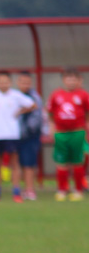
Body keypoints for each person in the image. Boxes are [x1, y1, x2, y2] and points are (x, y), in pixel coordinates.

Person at [0, 71, 36, 202]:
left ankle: (16, 192)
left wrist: (20, 111)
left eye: (6, 82)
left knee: (14, 164)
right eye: (0, 82)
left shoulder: (16, 95)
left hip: (12, 134)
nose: (3, 84)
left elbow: (33, 105)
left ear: (10, 83)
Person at [46, 67, 89, 202]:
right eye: (68, 79)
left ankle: (78, 190)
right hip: (61, 133)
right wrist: (52, 129)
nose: (71, 81)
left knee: (77, 162)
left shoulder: (83, 95)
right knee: (61, 162)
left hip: (77, 132)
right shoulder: (56, 94)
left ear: (78, 80)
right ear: (64, 80)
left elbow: (87, 113)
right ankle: (62, 190)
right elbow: (51, 113)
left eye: (73, 79)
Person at [16, 72, 45, 201]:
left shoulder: (35, 97)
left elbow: (37, 117)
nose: (25, 85)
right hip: (16, 136)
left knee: (29, 163)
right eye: (22, 82)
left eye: (27, 82)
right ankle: (21, 189)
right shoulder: (14, 96)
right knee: (20, 163)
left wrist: (28, 130)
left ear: (31, 83)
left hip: (30, 136)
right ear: (18, 82)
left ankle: (30, 190)